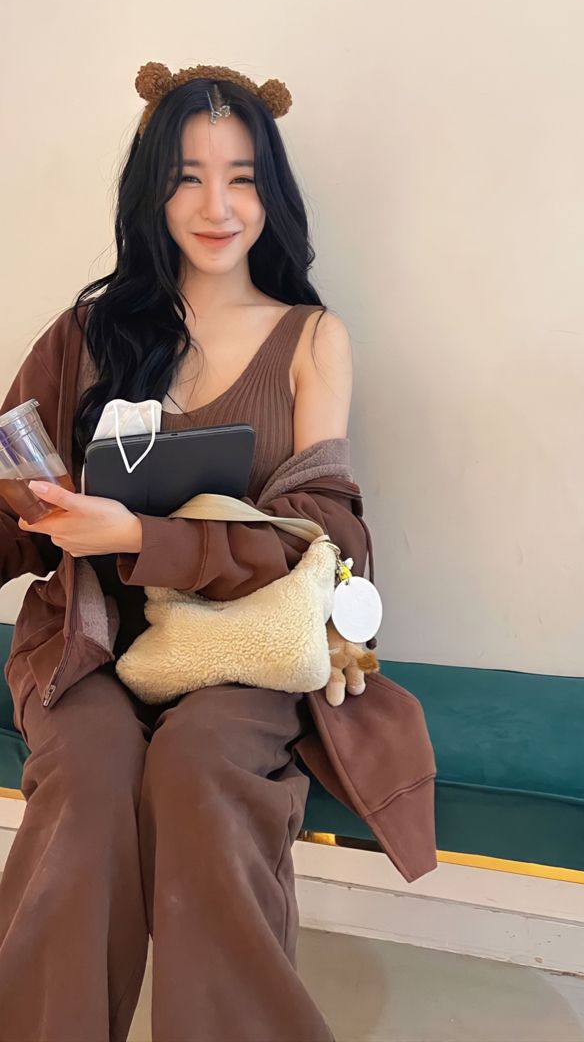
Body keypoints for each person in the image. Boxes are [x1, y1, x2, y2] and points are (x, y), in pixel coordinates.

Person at [0, 63, 363, 1042]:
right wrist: (29, 502)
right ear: (149, 191)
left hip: (240, 654)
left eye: (240, 177)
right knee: (87, 772)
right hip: (87, 651)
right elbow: (6, 507)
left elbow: (331, 540)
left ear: (270, 193)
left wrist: (144, 537)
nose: (215, 205)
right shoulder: (84, 334)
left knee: (201, 772)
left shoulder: (308, 340)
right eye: (186, 177)